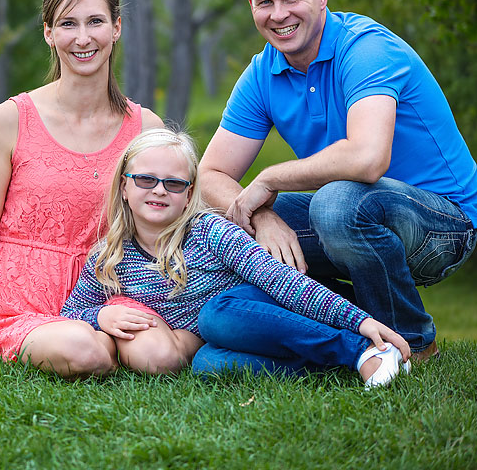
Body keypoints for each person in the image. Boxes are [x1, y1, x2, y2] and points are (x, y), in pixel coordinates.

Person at [197, 0, 477, 361]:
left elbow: (367, 158)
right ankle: (350, 338)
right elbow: (208, 176)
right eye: (266, 2)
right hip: (355, 220)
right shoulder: (261, 74)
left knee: (335, 204)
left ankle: (414, 344)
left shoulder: (365, 49)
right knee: (223, 228)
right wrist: (262, 216)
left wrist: (270, 179)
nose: (279, 14)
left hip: (443, 225)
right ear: (251, 5)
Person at [0, 0, 162, 377]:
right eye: (68, 24)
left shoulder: (145, 128)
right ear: (49, 33)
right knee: (86, 352)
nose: (83, 38)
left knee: (158, 358)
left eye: (95, 22)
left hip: (112, 294)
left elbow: (167, 226)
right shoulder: (10, 120)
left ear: (116, 28)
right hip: (25, 299)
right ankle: (89, 341)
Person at [61, 128, 411, 386]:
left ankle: (362, 350)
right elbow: (70, 313)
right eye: (146, 179)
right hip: (244, 339)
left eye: (174, 183)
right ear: (124, 185)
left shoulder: (208, 230)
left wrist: (361, 321)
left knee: (216, 315)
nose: (159, 190)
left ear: (190, 194)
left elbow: (282, 281)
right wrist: (102, 315)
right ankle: (342, 363)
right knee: (208, 364)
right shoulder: (109, 257)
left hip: (272, 311)